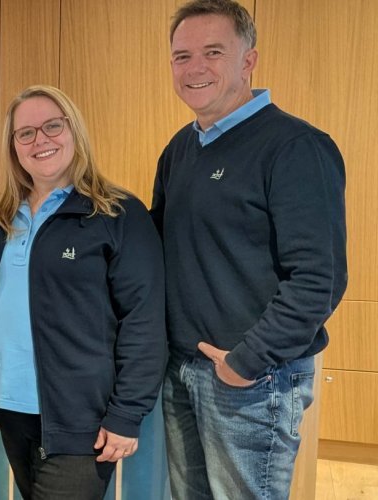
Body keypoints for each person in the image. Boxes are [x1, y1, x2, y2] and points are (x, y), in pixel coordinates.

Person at [155, 1, 348, 498]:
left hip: (252, 380)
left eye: (213, 52)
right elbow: (160, 254)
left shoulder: (295, 146)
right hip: (182, 371)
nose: (194, 68)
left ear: (249, 60)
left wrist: (246, 362)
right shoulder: (180, 150)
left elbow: (319, 279)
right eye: (182, 56)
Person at [0, 85, 166, 498]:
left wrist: (127, 412)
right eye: (25, 133)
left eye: (53, 126)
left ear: (74, 131)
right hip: (11, 408)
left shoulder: (117, 213)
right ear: (13, 146)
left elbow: (144, 320)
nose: (40, 140)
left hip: (82, 418)